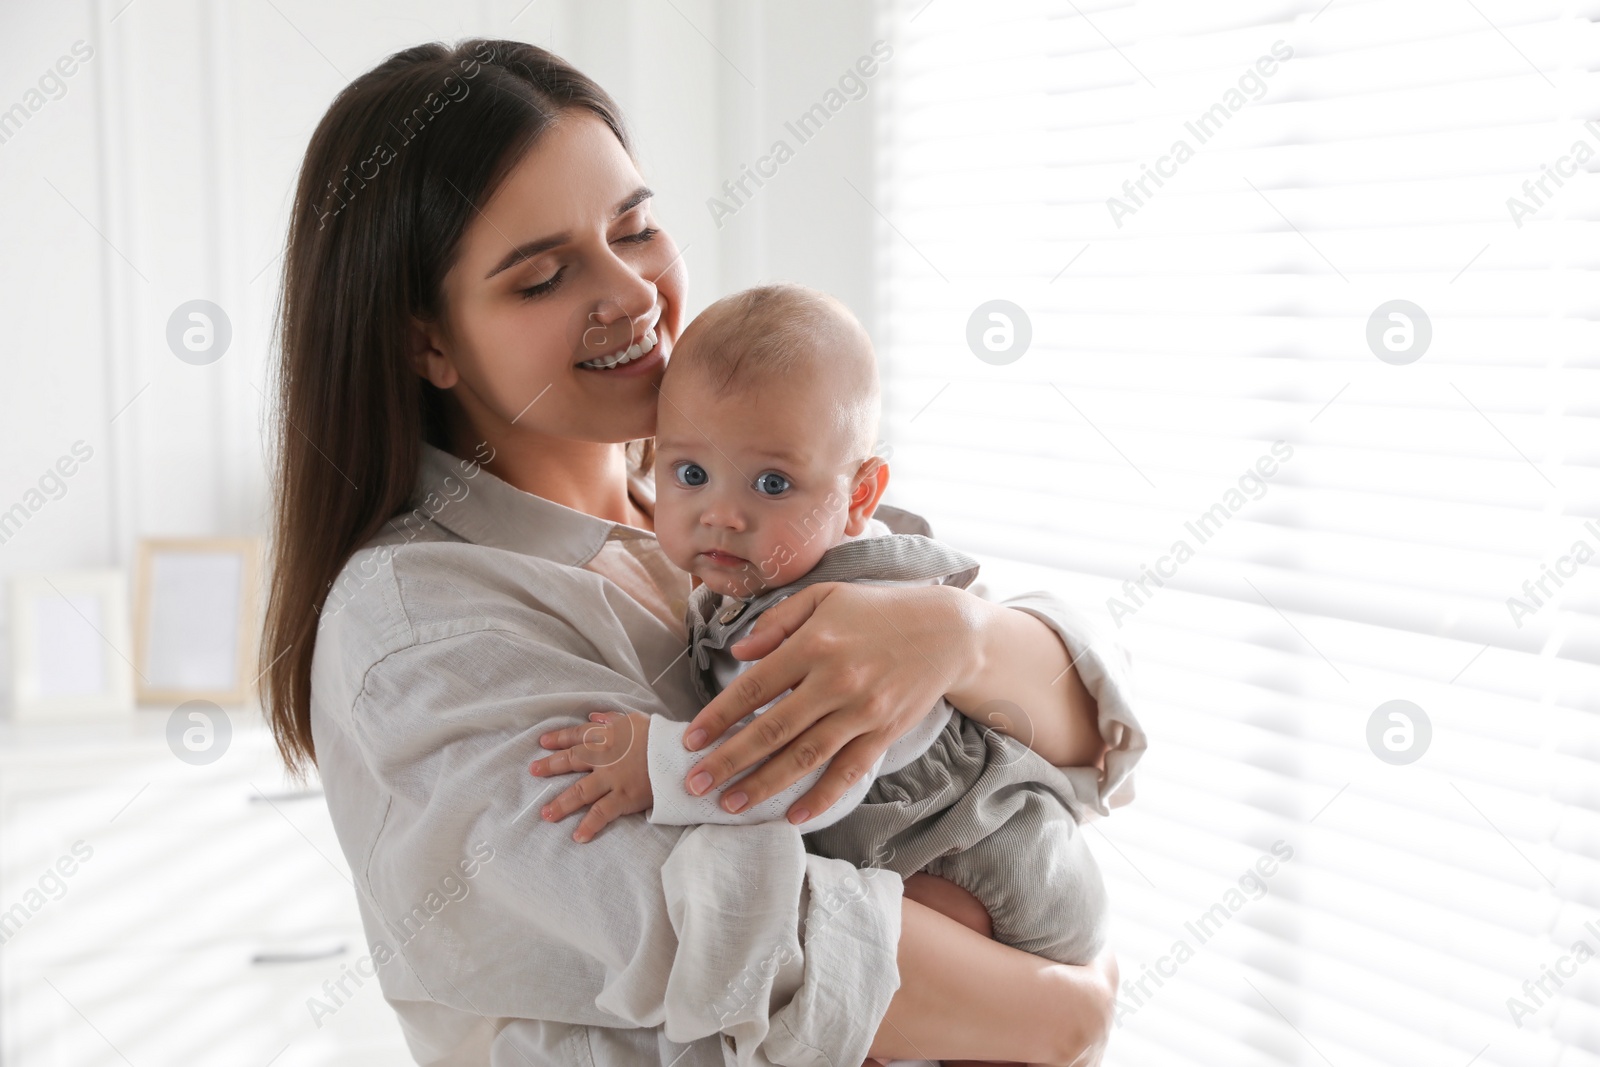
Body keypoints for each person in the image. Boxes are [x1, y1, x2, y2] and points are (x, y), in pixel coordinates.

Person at [261, 38, 1144, 1067]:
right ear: (428, 344)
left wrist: (957, 634)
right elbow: (731, 931)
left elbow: (1082, 744)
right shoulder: (418, 620)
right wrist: (1062, 1012)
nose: (632, 294)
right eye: (544, 276)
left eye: (634, 228)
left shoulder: (727, 495)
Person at [530, 283, 1127, 972]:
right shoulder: (746, 580)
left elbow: (801, 776)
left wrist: (656, 764)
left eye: (773, 484)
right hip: (938, 854)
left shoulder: (844, 612)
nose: (722, 513)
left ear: (860, 498)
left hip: (990, 865)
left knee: (890, 962)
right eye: (691, 472)